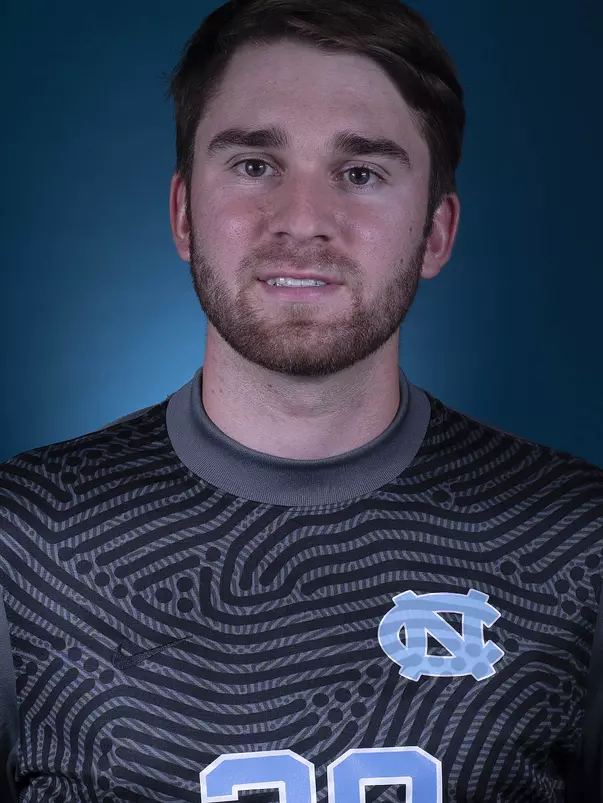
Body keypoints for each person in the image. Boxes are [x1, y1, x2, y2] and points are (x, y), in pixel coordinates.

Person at [0, 0, 601, 800]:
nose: (303, 221)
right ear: (183, 214)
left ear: (435, 233)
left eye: (360, 173)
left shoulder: (576, 541)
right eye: (254, 164)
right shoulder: (24, 543)